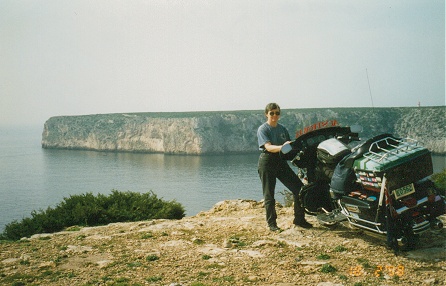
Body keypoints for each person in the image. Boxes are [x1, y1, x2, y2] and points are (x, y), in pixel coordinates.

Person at [257, 103, 312, 232]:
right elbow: (268, 147)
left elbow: (289, 147)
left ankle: (299, 219)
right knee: (269, 195)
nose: (274, 116)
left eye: (277, 113)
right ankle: (272, 224)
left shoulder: (282, 129)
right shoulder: (263, 129)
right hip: (267, 162)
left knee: (299, 188)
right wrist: (282, 147)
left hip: (280, 162)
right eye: (272, 113)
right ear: (266, 114)